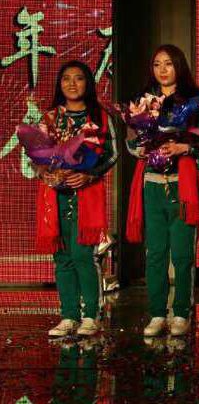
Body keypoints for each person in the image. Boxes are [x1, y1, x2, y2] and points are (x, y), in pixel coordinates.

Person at [126, 44, 199, 337]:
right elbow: (131, 142)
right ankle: (158, 313)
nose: (162, 69)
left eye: (168, 63)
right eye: (157, 64)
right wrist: (140, 147)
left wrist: (185, 147)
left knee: (183, 255)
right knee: (156, 254)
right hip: (151, 185)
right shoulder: (142, 101)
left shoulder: (195, 101)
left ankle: (181, 313)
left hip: (182, 184)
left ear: (179, 66)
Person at [37, 61, 118, 337]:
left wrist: (89, 175)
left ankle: (91, 315)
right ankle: (69, 316)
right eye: (66, 79)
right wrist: (45, 172)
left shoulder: (100, 117)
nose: (72, 84)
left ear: (88, 83)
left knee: (84, 255)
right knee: (62, 257)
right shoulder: (50, 118)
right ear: (59, 84)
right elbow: (35, 155)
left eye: (79, 78)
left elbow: (112, 154)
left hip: (86, 195)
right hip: (55, 196)